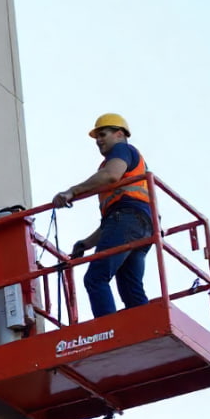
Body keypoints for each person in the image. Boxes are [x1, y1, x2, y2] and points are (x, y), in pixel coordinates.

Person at [51, 113, 152, 318]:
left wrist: (72, 191)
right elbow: (115, 218)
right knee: (130, 288)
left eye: (102, 134)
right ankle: (148, 325)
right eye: (96, 137)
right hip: (141, 228)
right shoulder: (125, 166)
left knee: (95, 278)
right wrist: (87, 243)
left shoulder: (122, 150)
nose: (98, 141)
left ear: (119, 134)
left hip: (128, 222)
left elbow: (111, 176)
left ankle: (109, 329)